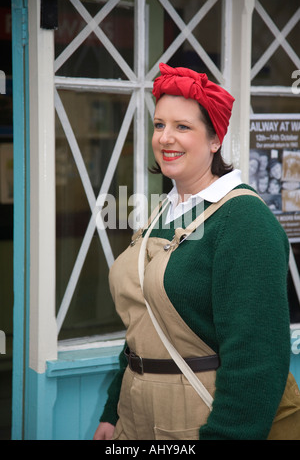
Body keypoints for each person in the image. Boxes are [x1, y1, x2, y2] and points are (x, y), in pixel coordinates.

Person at [93, 64, 291, 440]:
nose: (166, 138)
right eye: (159, 125)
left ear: (215, 139)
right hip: (133, 418)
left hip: (195, 421)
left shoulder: (245, 222)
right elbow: (144, 322)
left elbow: (257, 362)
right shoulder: (160, 212)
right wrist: (111, 412)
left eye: (183, 127)